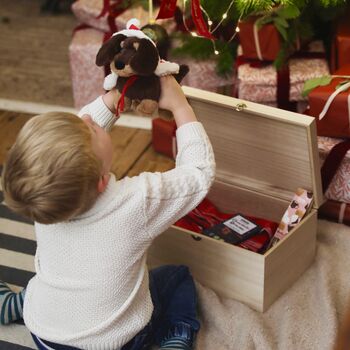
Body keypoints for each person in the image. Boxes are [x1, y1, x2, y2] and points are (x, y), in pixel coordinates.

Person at [0, 75, 216, 350]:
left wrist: (114, 99)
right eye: (89, 130)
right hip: (117, 343)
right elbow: (199, 174)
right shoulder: (136, 201)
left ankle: (16, 305)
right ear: (101, 182)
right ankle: (177, 336)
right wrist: (180, 106)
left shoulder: (42, 197)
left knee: (57, 279)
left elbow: (75, 143)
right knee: (177, 277)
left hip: (45, 337)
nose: (88, 119)